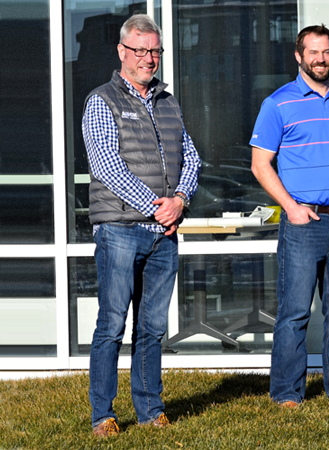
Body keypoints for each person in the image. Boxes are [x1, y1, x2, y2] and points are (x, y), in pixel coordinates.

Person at [82, 14, 201, 437]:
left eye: (155, 51)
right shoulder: (102, 101)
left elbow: (192, 157)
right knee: (111, 324)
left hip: (162, 234)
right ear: (122, 52)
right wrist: (158, 206)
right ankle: (103, 415)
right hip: (119, 229)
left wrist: (180, 201)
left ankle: (151, 409)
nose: (149, 58)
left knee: (152, 328)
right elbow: (107, 167)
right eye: (141, 50)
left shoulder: (169, 102)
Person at [250, 24, 329, 406]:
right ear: (298, 56)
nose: (321, 59)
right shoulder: (278, 103)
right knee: (295, 313)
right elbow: (260, 164)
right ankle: (287, 393)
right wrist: (290, 207)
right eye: (313, 52)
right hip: (304, 224)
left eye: (327, 51)